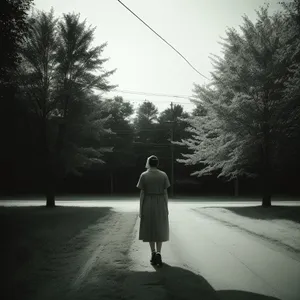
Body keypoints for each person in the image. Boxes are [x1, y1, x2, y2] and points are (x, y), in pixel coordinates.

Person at [136, 155, 170, 267]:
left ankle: (153, 253)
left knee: (150, 228)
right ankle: (159, 253)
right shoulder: (163, 175)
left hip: (148, 203)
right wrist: (166, 206)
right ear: (157, 163)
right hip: (160, 202)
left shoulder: (144, 175)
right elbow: (165, 193)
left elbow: (142, 193)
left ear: (149, 163)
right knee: (159, 227)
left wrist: (141, 208)